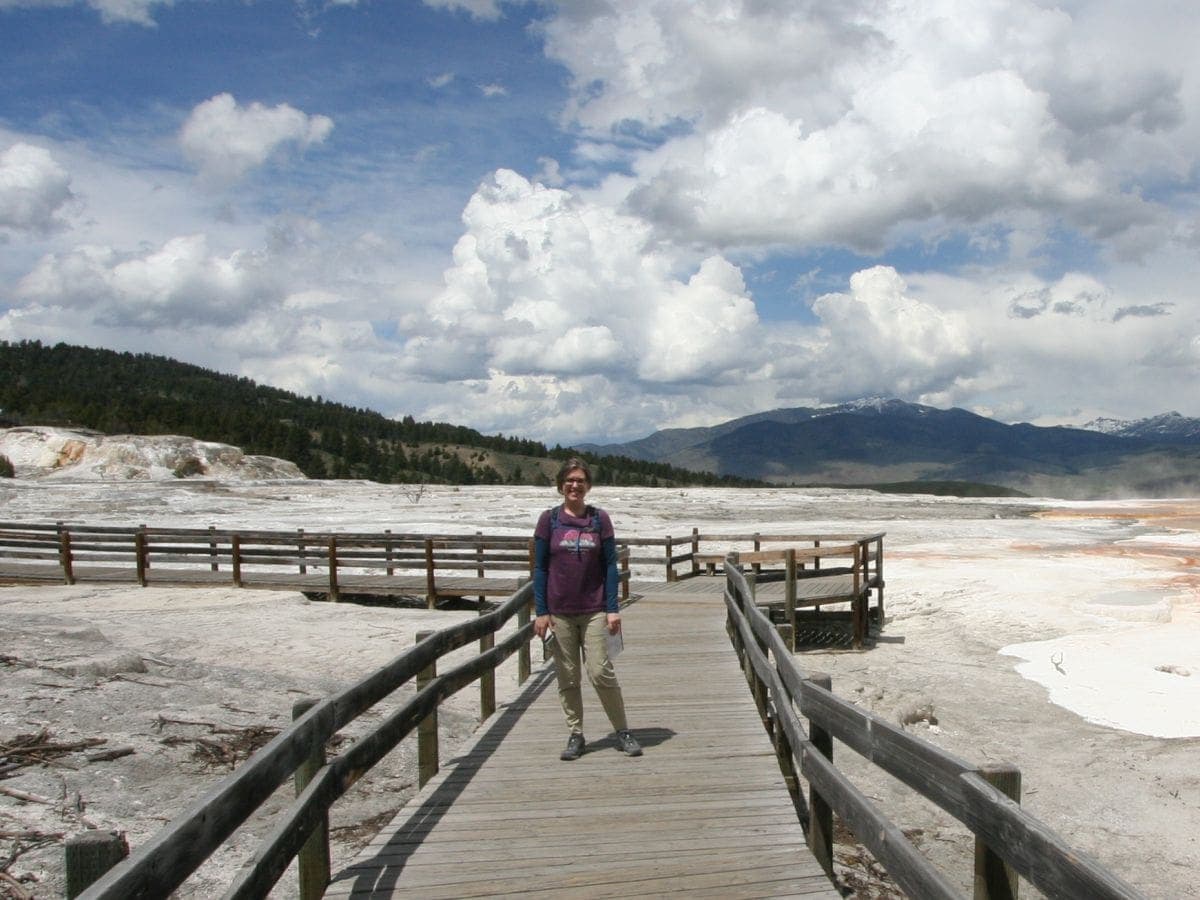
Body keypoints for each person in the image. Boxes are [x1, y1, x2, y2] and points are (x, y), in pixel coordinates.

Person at [532, 458, 641, 761]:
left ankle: (622, 731)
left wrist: (612, 608)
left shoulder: (599, 519)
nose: (575, 486)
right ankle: (576, 734)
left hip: (593, 608)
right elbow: (539, 568)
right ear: (561, 485)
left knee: (599, 671)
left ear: (588, 486)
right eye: (569, 480)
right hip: (559, 612)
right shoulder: (549, 520)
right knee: (567, 676)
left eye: (580, 480)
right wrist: (541, 611)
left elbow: (609, 566)